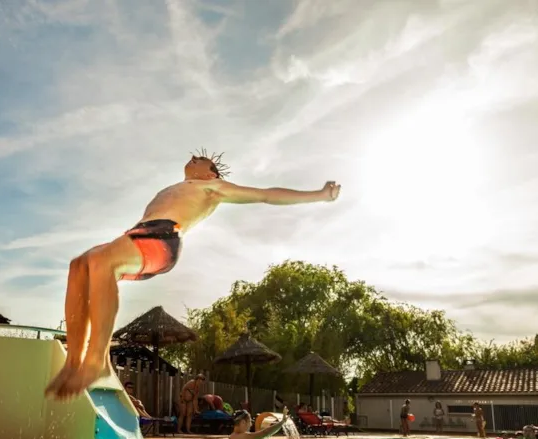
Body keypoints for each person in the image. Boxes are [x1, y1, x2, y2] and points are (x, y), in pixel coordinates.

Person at [45, 152, 341, 400]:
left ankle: (97, 359)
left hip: (162, 237)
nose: (194, 156)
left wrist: (320, 195)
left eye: (202, 158)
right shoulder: (180, 185)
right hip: (138, 232)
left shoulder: (214, 187)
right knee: (80, 265)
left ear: (210, 174)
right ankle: (75, 360)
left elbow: (266, 195)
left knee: (99, 264)